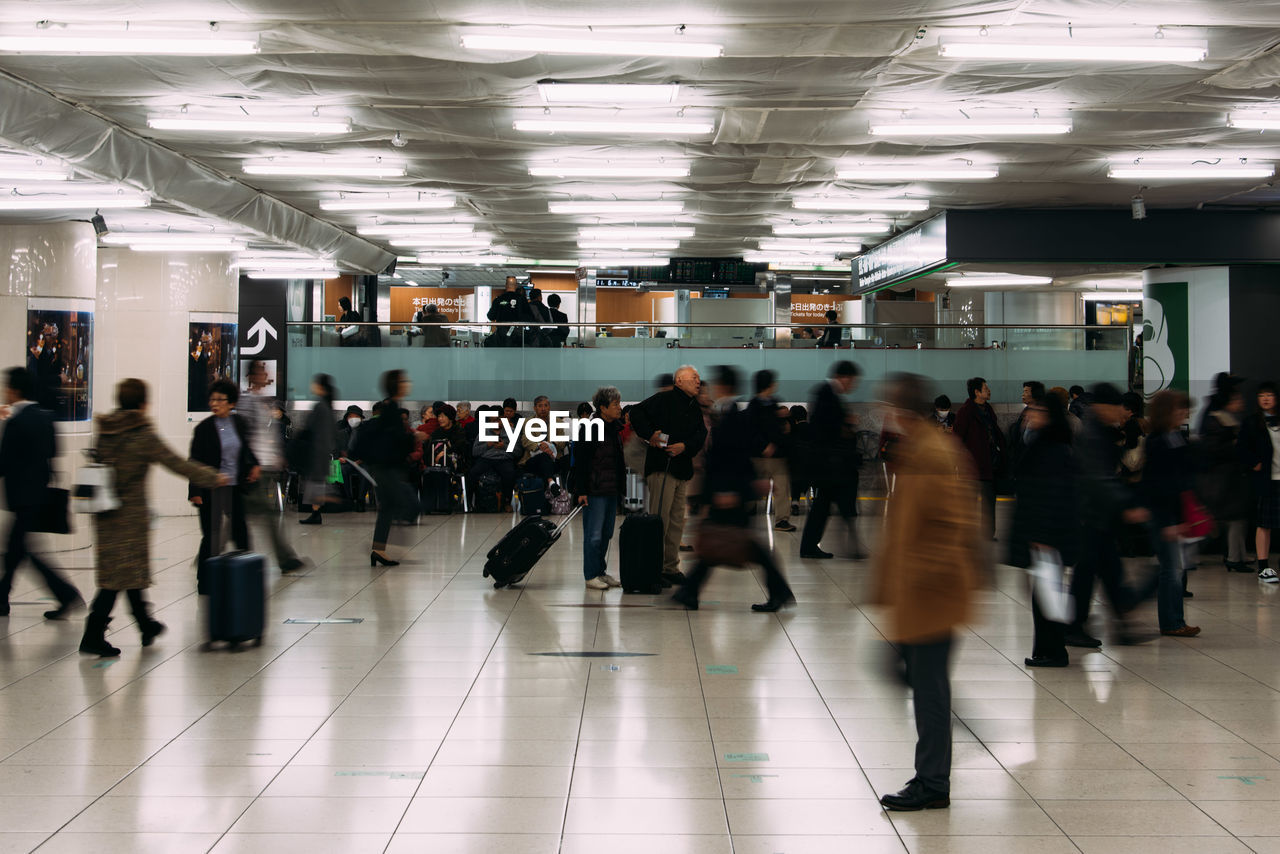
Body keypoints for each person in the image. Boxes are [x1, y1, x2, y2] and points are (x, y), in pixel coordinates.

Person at [872, 373, 982, 813]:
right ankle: (937, 767)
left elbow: (952, 528)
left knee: (930, 690)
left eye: (890, 405)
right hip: (916, 595)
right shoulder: (918, 450)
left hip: (932, 596)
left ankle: (933, 781)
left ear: (903, 409)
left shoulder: (934, 453)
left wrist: (916, 580)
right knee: (916, 680)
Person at [78, 378, 225, 656]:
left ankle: (146, 624)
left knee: (126, 573)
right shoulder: (141, 433)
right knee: (117, 579)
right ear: (143, 404)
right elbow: (176, 463)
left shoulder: (107, 429)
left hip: (105, 512)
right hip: (130, 516)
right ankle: (93, 634)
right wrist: (212, 477)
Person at [674, 366, 794, 612]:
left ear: (724, 387)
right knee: (722, 544)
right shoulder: (730, 413)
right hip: (729, 490)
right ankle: (690, 591)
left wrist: (731, 491)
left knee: (730, 544)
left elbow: (731, 458)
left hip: (729, 491)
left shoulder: (732, 415)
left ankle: (779, 592)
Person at [1066, 382, 1157, 648]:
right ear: (1103, 407)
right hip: (1090, 515)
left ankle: (1119, 624)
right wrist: (1127, 505)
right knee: (1089, 572)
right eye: (1117, 406)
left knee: (1108, 571)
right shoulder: (1093, 434)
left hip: (1098, 515)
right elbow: (1099, 478)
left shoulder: (1099, 431)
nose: (1121, 412)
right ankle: (1076, 625)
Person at [0, 367, 83, 620]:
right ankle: (3, 597)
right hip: (39, 494)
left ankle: (66, 595)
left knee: (20, 549)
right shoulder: (46, 418)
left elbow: (4, 462)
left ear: (14, 390)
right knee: (17, 549)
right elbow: (53, 452)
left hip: (21, 496)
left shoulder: (16, 422)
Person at [1007, 391, 1077, 667]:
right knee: (1044, 594)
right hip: (1042, 532)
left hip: (1048, 535)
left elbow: (1052, 496)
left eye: (1036, 411)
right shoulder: (1038, 443)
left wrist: (1043, 537)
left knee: (1046, 595)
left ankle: (1053, 651)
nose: (1029, 415)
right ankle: (1046, 649)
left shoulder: (1052, 449)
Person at [629, 365, 709, 585]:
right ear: (679, 381)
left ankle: (670, 567)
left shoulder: (693, 405)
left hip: (682, 469)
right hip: (662, 468)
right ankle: (652, 568)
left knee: (676, 523)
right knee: (659, 521)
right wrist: (651, 435)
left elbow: (701, 434)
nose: (698, 381)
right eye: (694, 378)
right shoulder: (663, 399)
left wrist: (685, 446)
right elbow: (635, 412)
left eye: (699, 378)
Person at [190, 380, 260, 593]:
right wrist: (194, 491)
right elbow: (194, 461)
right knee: (211, 535)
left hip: (234, 486)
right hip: (211, 488)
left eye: (220, 400)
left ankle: (246, 574)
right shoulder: (203, 429)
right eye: (212, 399)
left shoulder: (239, 423)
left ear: (231, 403)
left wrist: (255, 465)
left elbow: (246, 448)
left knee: (241, 530)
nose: (215, 403)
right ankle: (205, 581)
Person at [1142, 390, 1201, 637]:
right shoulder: (1158, 441)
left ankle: (1174, 619)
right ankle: (1171, 621)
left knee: (1174, 569)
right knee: (1171, 569)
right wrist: (1168, 520)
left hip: (1175, 513)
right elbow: (1158, 484)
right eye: (1179, 409)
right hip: (1163, 515)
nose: (1184, 413)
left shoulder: (1175, 437)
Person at [239, 360, 304, 573]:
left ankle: (212, 554)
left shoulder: (262, 401)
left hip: (265, 466)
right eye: (261, 372)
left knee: (246, 514)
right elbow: (244, 437)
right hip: (256, 467)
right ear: (252, 376)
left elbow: (265, 435)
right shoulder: (247, 402)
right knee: (265, 515)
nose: (265, 375)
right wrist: (252, 463)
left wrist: (277, 456)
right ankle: (285, 559)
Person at [799, 360, 863, 560]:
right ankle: (847, 547)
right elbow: (823, 428)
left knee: (824, 506)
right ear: (843, 377)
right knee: (834, 506)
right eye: (852, 381)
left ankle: (811, 547)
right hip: (830, 465)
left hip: (830, 465)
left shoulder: (828, 393)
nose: (852, 385)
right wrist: (845, 424)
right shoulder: (826, 394)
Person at [354, 370, 416, 566]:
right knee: (410, 504)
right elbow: (396, 440)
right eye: (404, 380)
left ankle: (378, 550)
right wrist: (415, 438)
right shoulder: (392, 410)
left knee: (388, 508)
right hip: (386, 468)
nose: (408, 383)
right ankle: (391, 545)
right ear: (397, 385)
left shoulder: (390, 406)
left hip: (383, 466)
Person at [572, 386, 626, 590]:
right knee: (593, 534)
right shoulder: (590, 427)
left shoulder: (615, 428)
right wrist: (582, 490)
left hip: (611, 488)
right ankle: (590, 574)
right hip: (595, 490)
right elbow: (582, 461)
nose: (619, 408)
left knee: (606, 533)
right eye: (615, 405)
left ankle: (601, 571)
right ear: (603, 408)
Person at [1199, 378, 1250, 572]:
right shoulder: (1220, 419)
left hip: (1223, 479)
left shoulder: (1218, 417)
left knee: (1227, 519)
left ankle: (1236, 557)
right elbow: (1216, 448)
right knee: (1229, 519)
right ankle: (1235, 558)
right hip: (1223, 480)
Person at [952, 377, 1005, 540]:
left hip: (989, 463)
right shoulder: (966, 411)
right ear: (977, 392)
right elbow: (957, 437)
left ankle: (988, 533)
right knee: (969, 502)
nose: (988, 390)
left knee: (989, 502)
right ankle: (966, 533)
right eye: (985, 388)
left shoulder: (988, 409)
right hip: (972, 465)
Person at [1239, 380, 1280, 583]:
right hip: (1267, 478)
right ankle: (1263, 565)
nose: (1265, 399)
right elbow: (1241, 448)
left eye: (1269, 395)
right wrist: (1253, 463)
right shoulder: (1252, 422)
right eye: (1262, 395)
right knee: (1264, 522)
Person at [747, 370, 795, 532]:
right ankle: (744, 513)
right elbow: (751, 430)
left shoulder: (774, 403)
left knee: (782, 488)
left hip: (778, 455)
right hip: (760, 455)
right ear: (768, 385)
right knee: (753, 487)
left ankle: (782, 519)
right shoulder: (754, 406)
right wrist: (763, 445)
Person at [298, 375, 339, 526]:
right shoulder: (327, 406)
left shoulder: (320, 406)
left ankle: (323, 507)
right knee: (317, 485)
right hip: (322, 452)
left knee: (316, 486)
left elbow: (311, 429)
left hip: (317, 453)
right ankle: (316, 513)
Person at [518, 395, 567, 481]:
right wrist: (540, 445)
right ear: (535, 408)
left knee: (568, 460)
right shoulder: (528, 422)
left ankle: (563, 489)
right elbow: (525, 440)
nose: (543, 408)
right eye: (540, 406)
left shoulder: (557, 421)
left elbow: (562, 441)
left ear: (549, 407)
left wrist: (551, 445)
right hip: (534, 458)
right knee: (544, 457)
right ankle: (551, 483)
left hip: (554, 458)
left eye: (546, 405)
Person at [1005, 381, 1046, 476]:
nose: (1023, 394)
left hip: (1034, 465)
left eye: (1026, 391)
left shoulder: (1040, 414)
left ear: (1035, 394)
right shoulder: (1027, 410)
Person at [487, 276, 526, 347]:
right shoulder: (522, 300)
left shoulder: (498, 299)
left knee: (502, 355)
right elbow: (529, 317)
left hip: (501, 335)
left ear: (506, 285)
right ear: (516, 286)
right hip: (518, 336)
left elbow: (490, 316)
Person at [787, 404, 811, 516]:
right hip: (812, 471)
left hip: (795, 470)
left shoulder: (791, 432)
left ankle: (795, 501)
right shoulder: (814, 430)